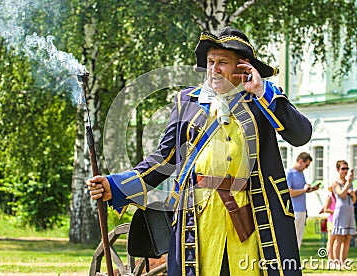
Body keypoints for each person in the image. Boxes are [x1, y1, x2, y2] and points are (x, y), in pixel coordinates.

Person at [87, 27, 312, 276]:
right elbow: (164, 159)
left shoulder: (262, 99)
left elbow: (301, 135)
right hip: (198, 218)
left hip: (253, 216)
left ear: (243, 66)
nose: (214, 70)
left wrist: (261, 91)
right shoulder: (187, 102)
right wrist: (116, 185)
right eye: (210, 62)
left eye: (222, 63)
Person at [286, 152, 320, 249]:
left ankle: (297, 259)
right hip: (294, 210)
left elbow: (302, 190)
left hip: (302, 209)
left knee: (299, 237)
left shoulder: (301, 174)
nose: (306, 168)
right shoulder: (289, 173)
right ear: (300, 161)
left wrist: (312, 189)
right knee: (292, 236)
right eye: (306, 165)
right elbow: (290, 192)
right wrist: (304, 190)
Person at [331, 161, 356, 267]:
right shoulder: (335, 182)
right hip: (340, 211)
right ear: (338, 170)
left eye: (346, 168)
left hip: (349, 210)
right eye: (343, 168)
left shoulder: (349, 183)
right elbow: (341, 194)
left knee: (347, 238)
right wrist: (348, 184)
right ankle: (336, 261)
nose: (345, 171)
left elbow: (354, 199)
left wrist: (353, 194)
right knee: (339, 237)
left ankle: (343, 261)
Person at [319, 184, 336, 265]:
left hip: (337, 220)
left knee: (336, 240)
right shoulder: (330, 197)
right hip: (331, 220)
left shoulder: (338, 197)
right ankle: (330, 258)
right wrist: (335, 212)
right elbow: (326, 209)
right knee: (331, 240)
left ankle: (335, 258)